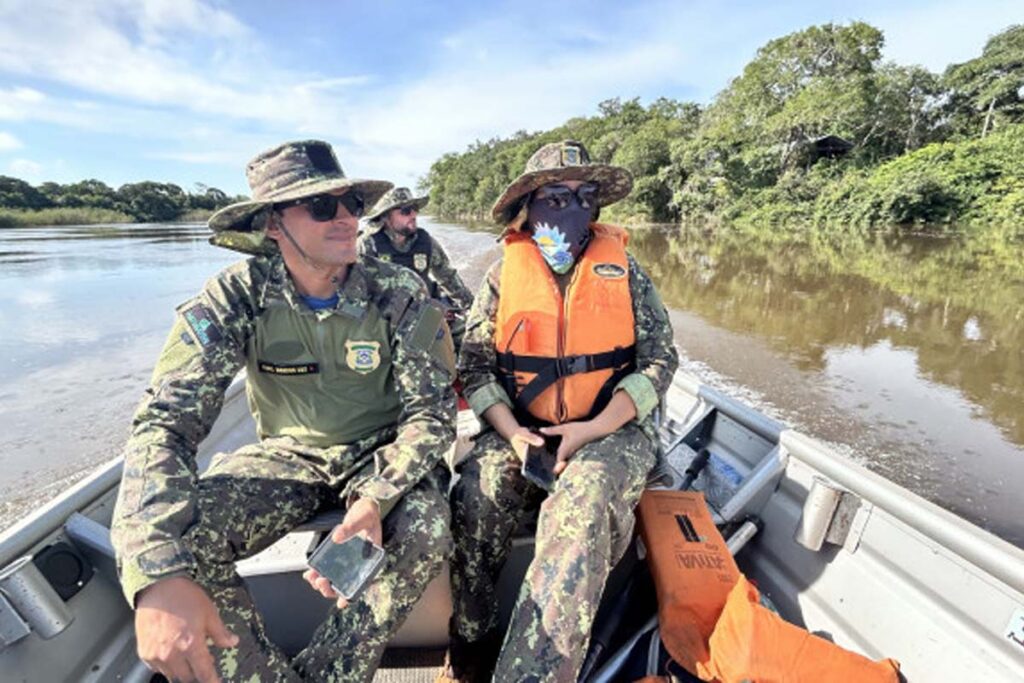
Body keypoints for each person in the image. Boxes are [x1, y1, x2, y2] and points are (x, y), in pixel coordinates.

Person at [110, 140, 457, 683]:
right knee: (186, 541)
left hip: (381, 453)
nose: (345, 219)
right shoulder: (235, 298)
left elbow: (431, 417)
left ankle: (332, 673)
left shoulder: (398, 292)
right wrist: (155, 571)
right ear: (274, 224)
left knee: (429, 526)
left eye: (350, 204)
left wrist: (375, 499)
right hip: (289, 456)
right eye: (322, 207)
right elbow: (164, 423)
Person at [440, 140, 679, 682]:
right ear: (529, 206)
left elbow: (662, 358)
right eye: (555, 195)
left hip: (609, 430)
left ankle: (534, 673)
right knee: (476, 500)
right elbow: (475, 368)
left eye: (585, 195)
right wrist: (516, 435)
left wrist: (595, 427)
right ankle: (470, 653)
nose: (572, 207)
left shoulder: (626, 271)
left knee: (583, 508)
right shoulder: (504, 276)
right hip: (520, 426)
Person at [359, 187, 474, 352]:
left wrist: (472, 308)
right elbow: (356, 290)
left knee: (473, 337)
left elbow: (448, 278)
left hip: (425, 311)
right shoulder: (368, 245)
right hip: (386, 318)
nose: (413, 215)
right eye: (405, 211)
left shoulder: (426, 242)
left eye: (415, 210)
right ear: (386, 218)